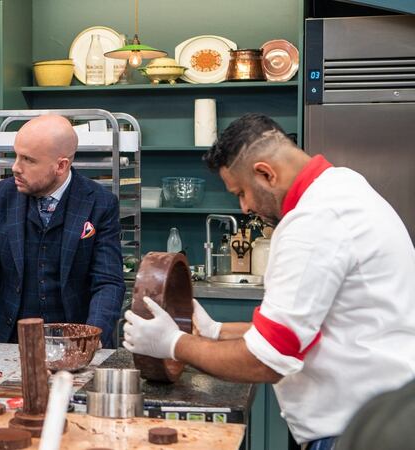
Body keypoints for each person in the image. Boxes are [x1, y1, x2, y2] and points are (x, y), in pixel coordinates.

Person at [123, 113, 415, 448]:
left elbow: (268, 359)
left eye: (242, 192)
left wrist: (174, 344)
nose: (244, 207)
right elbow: (311, 330)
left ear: (265, 173)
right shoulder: (342, 187)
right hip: (379, 418)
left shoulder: (313, 222)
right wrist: (216, 331)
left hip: (355, 432)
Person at [0, 114, 125, 348]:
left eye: (28, 160)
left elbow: (108, 282)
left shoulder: (100, 203)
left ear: (61, 165)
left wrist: (93, 333)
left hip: (75, 343)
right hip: (7, 340)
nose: (16, 167)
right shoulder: (2, 196)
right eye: (16, 155)